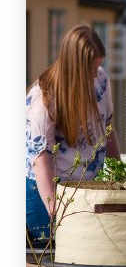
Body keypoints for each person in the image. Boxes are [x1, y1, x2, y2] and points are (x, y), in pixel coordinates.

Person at [26, 24, 120, 240]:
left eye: (98, 68)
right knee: (57, 251)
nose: (95, 75)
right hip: (45, 190)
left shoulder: (101, 79)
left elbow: (108, 128)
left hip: (86, 187)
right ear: (74, 68)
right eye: (90, 71)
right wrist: (56, 213)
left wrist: (118, 177)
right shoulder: (44, 99)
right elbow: (42, 161)